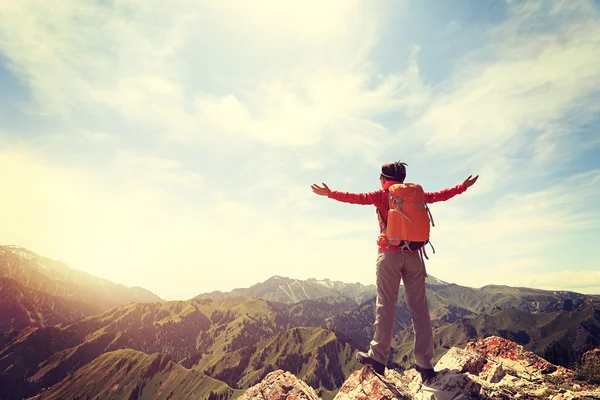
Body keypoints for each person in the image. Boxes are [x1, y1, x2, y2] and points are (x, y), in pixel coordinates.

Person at [311, 161, 478, 380]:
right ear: (402, 179)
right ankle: (425, 364)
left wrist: (330, 193)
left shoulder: (382, 195)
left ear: (383, 178)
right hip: (415, 256)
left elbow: (355, 198)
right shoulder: (415, 195)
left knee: (386, 305)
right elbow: (440, 195)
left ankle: (378, 359)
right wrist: (462, 187)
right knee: (420, 308)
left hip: (389, 254)